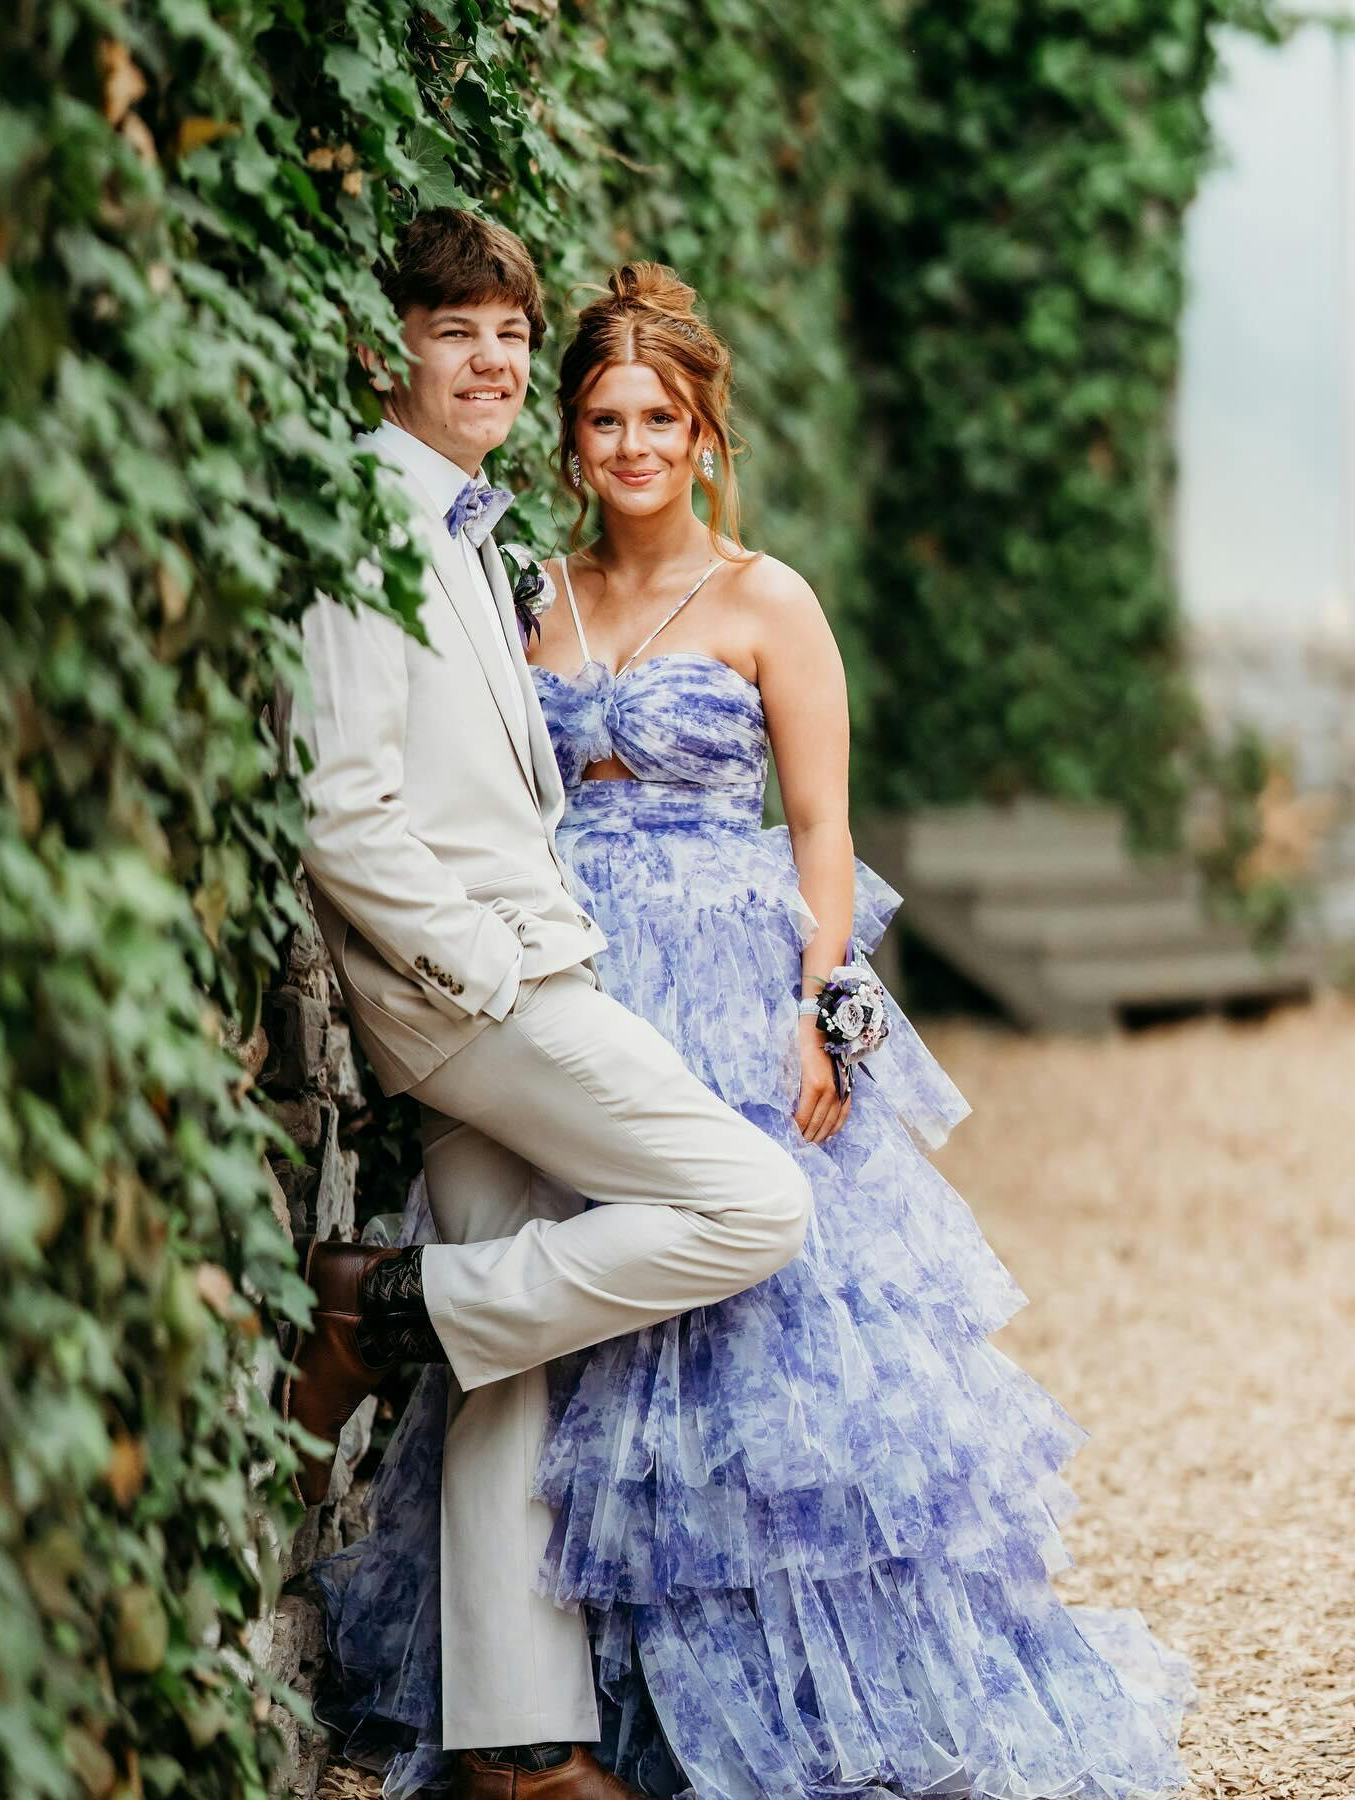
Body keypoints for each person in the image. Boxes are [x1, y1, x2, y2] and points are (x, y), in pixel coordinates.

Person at [314, 264, 1194, 1800]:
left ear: (705, 434)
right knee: (580, 1321)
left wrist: (819, 1009)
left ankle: (764, 1702)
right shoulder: (526, 590)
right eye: (605, 420)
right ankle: (543, 1722)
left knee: (753, 1307)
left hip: (730, 982)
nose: (632, 446)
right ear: (572, 441)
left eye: (659, 419)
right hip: (558, 968)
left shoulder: (768, 599)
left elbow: (824, 827)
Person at [278, 214, 813, 1800]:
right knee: (753, 1202)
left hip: (503, 970)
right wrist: (485, 972)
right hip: (481, 989)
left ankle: (522, 1750)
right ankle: (382, 1305)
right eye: (457, 331)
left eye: (511, 333)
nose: (494, 359)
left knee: (511, 1353)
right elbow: (344, 810)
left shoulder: (466, 526)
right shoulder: (369, 520)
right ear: (390, 348)